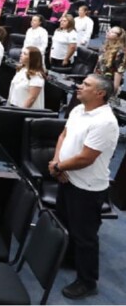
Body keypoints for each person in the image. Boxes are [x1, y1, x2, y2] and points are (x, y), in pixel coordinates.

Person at [48, 75, 118, 299]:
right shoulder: (79, 110)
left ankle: (87, 281)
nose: (80, 86)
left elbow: (86, 158)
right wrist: (57, 163)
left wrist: (58, 166)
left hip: (87, 188)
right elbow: (64, 135)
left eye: (86, 85)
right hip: (66, 178)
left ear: (100, 94)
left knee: (85, 237)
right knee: (64, 223)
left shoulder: (105, 121)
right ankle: (67, 260)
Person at [94, 26, 126, 94]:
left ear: (118, 37)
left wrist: (114, 90)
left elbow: (118, 72)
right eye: (109, 31)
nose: (109, 32)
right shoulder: (106, 46)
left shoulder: (120, 52)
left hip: (109, 84)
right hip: (99, 79)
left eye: (112, 32)